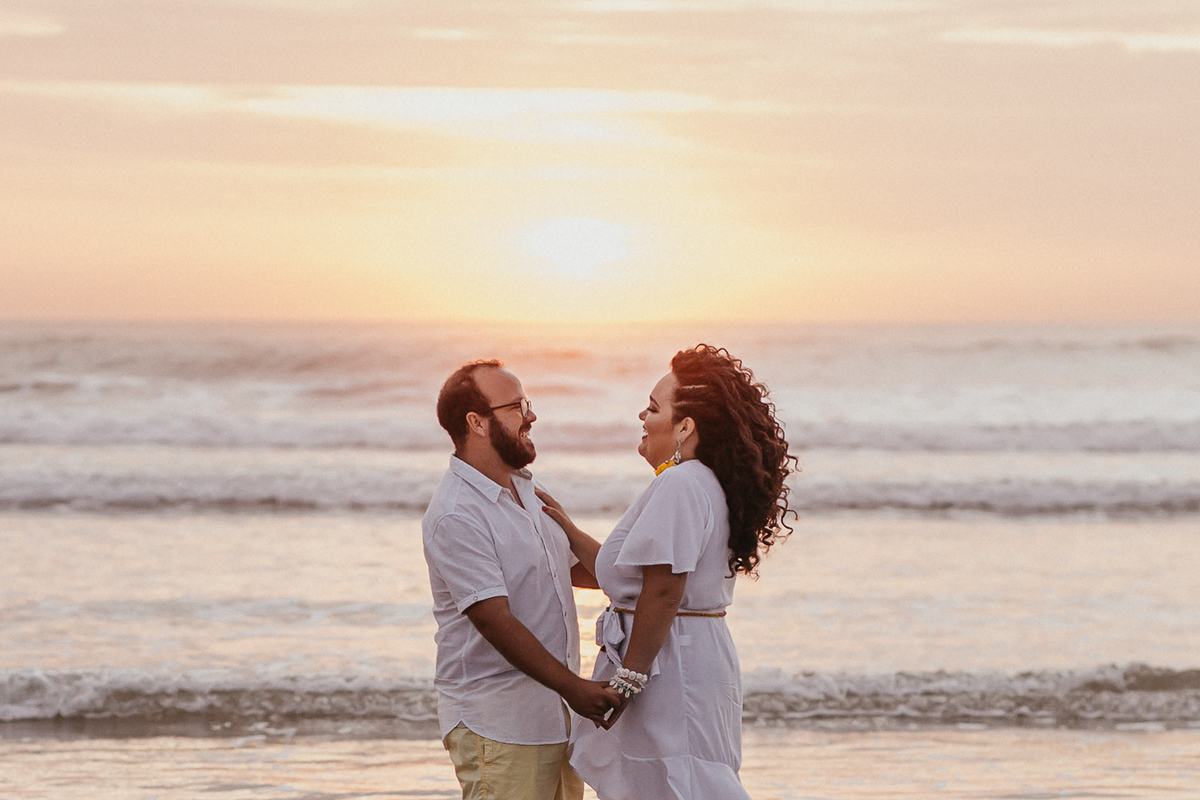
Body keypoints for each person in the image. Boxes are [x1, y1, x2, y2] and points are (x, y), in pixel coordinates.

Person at [538, 344, 796, 800]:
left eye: (654, 407)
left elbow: (662, 592)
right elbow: (629, 580)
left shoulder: (679, 483)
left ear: (685, 426)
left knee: (680, 784)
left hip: (669, 665)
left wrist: (628, 680)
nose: (642, 415)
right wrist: (566, 532)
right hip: (684, 655)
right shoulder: (699, 482)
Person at [422, 360, 619, 800]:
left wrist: (655, 580)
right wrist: (576, 689)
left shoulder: (525, 487)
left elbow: (569, 568)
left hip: (559, 719)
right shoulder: (457, 513)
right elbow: (494, 621)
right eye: (516, 406)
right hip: (500, 723)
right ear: (476, 422)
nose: (531, 416)